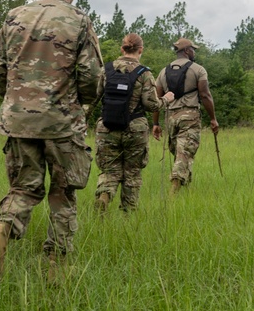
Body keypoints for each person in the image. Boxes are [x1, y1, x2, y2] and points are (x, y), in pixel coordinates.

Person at [0, 0, 102, 281]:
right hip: (62, 123)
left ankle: (0, 234)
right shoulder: (79, 20)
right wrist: (82, 102)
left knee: (23, 188)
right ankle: (55, 265)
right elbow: (90, 77)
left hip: (19, 120)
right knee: (63, 193)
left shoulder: (14, 17)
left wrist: (17, 99)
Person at [93, 33, 175, 213]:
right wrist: (166, 99)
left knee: (109, 170)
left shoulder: (106, 70)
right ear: (141, 50)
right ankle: (128, 215)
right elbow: (150, 104)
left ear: (122, 48)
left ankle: (104, 196)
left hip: (107, 127)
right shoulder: (144, 73)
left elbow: (94, 97)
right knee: (132, 173)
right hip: (135, 129)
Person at [153, 38, 219, 193]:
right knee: (185, 152)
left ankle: (186, 189)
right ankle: (174, 188)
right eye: (193, 49)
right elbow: (205, 95)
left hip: (171, 117)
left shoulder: (163, 72)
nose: (194, 52)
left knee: (180, 152)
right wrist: (213, 118)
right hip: (190, 116)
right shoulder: (198, 70)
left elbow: (157, 99)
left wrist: (155, 123)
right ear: (187, 51)